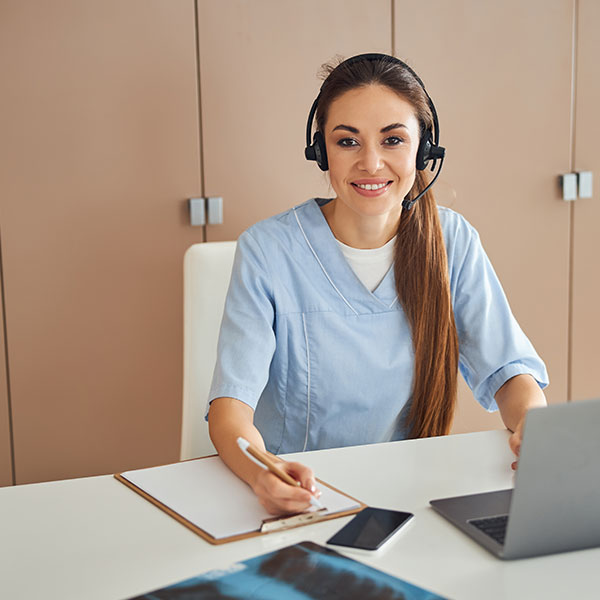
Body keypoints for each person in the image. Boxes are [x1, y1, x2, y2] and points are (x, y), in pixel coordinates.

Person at [207, 53, 548, 515]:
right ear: (321, 151)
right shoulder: (268, 250)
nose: (370, 163)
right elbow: (230, 412)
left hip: (405, 497)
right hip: (301, 499)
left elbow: (510, 373)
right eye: (347, 141)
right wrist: (263, 472)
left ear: (423, 151)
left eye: (393, 140)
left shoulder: (453, 240)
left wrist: (534, 424)